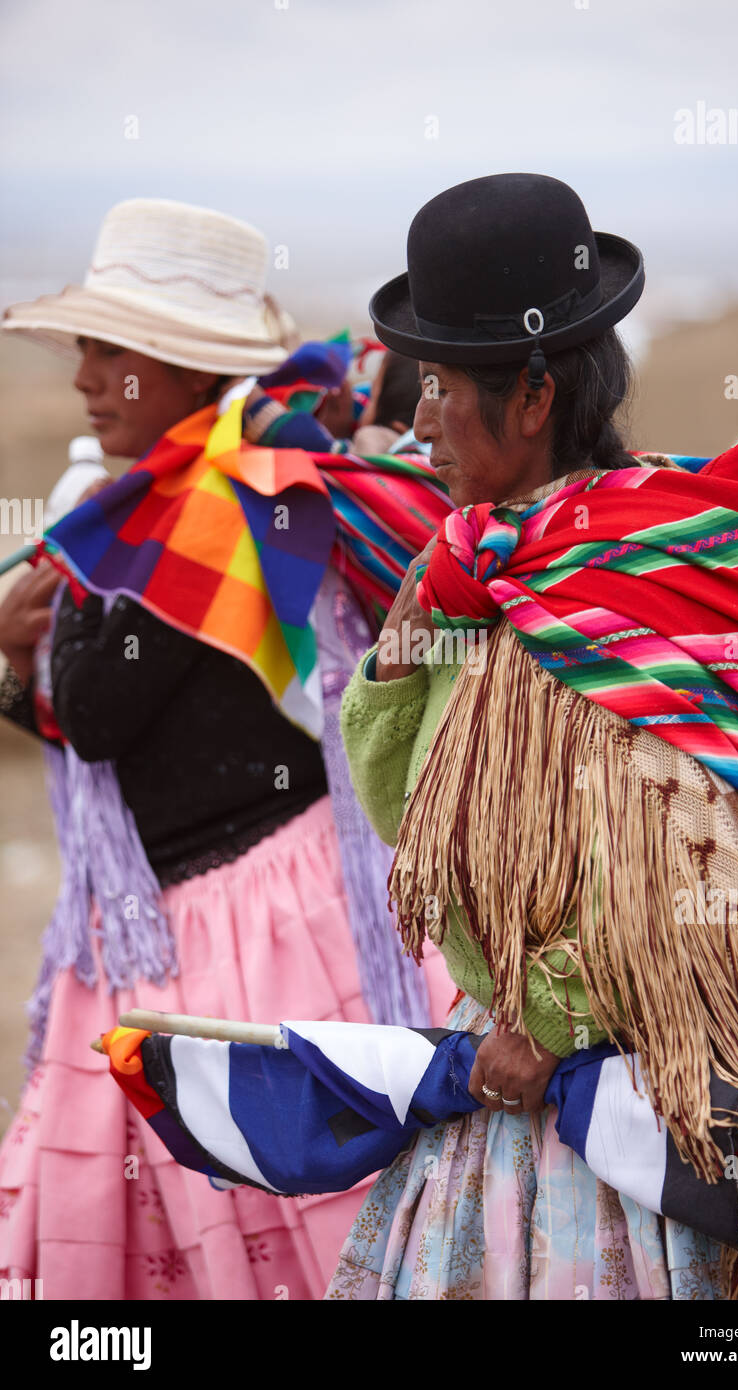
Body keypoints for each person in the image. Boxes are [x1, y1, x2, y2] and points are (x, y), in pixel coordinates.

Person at [326, 173, 738, 1300]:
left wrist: (554, 1021)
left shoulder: (630, 587)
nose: (416, 421)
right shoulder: (478, 571)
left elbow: (688, 866)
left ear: (530, 396)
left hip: (659, 1098)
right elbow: (404, 813)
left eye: (440, 390)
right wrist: (399, 651)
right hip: (519, 1070)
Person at [0, 197, 451, 1300]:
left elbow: (96, 715)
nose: (84, 379)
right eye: (85, 351)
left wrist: (31, 635)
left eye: (109, 352)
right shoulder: (139, 508)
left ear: (177, 364)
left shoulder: (209, 505)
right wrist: (25, 654)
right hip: (183, 914)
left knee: (276, 1214)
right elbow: (80, 710)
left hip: (251, 927)